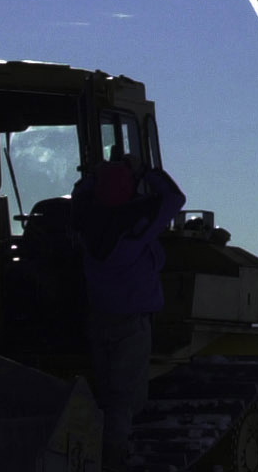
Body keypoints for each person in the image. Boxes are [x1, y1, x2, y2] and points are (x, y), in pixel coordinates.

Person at [71, 156, 185, 472]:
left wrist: (97, 176)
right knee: (123, 400)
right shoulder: (136, 226)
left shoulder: (85, 219)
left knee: (103, 393)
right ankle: (113, 462)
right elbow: (174, 199)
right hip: (131, 323)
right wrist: (146, 171)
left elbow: (80, 191)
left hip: (97, 318)